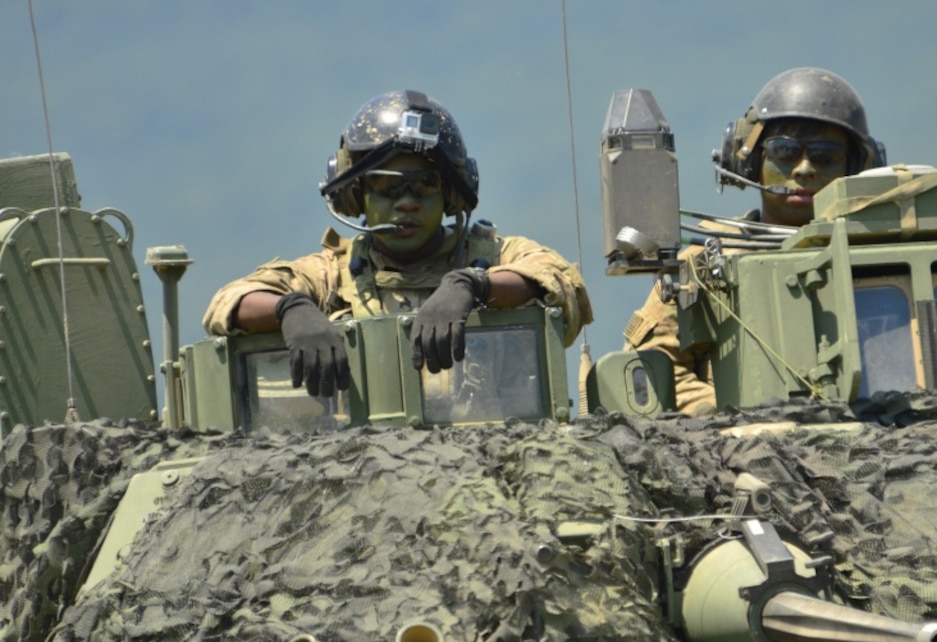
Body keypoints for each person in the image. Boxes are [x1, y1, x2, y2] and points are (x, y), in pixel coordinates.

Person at [204, 90, 592, 397]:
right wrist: (290, 309)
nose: (407, 202)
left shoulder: (492, 257)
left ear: (451, 197)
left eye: (426, 185)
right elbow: (229, 302)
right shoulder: (329, 276)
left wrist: (475, 285)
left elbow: (560, 281)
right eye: (388, 186)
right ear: (356, 197)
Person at [621, 67, 884, 414]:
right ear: (750, 162)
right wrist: (728, 420)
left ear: (853, 167)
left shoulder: (880, 254)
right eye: (785, 152)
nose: (804, 169)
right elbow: (651, 364)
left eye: (825, 157)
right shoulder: (707, 262)